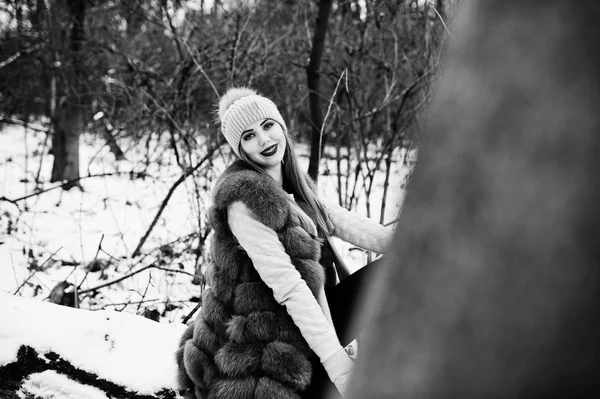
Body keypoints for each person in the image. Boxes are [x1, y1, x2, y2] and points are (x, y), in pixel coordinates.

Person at [175, 87, 394, 399]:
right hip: (267, 353)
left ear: (281, 127)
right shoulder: (245, 201)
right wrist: (338, 366)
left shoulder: (291, 186)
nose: (263, 140)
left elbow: (342, 220)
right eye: (249, 136)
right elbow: (290, 288)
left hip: (304, 327)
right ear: (241, 150)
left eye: (267, 126)